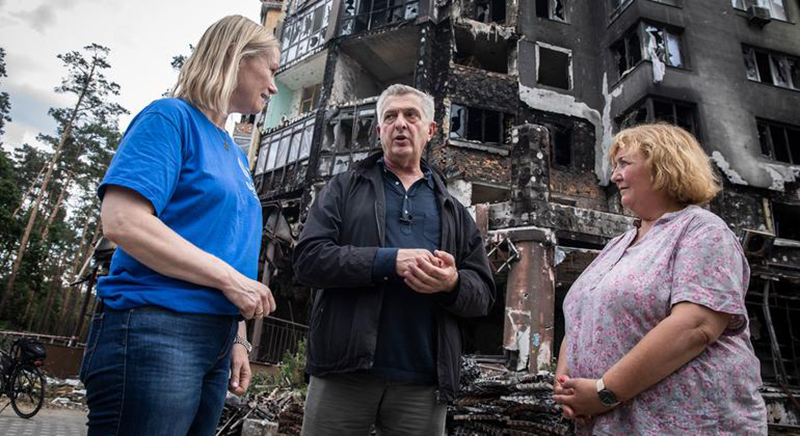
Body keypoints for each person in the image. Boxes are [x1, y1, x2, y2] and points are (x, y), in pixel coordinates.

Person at [79, 15, 279, 435]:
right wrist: (230, 280)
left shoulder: (234, 152)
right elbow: (123, 221)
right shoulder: (169, 118)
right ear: (235, 57)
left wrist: (237, 337)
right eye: (272, 70)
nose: (274, 87)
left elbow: (226, 249)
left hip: (216, 340)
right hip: (157, 329)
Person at [293, 84, 495, 435]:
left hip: (423, 383)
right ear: (379, 130)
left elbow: (484, 295)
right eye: (390, 117)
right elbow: (308, 260)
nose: (400, 123)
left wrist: (452, 283)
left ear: (430, 130)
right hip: (343, 373)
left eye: (411, 115)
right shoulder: (343, 188)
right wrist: (388, 261)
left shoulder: (454, 211)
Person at [553, 123, 767, 434]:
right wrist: (568, 390)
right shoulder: (617, 245)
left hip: (686, 423)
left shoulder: (702, 229)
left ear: (664, 166)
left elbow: (696, 325)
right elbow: (580, 316)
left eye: (624, 164)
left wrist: (604, 392)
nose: (614, 177)